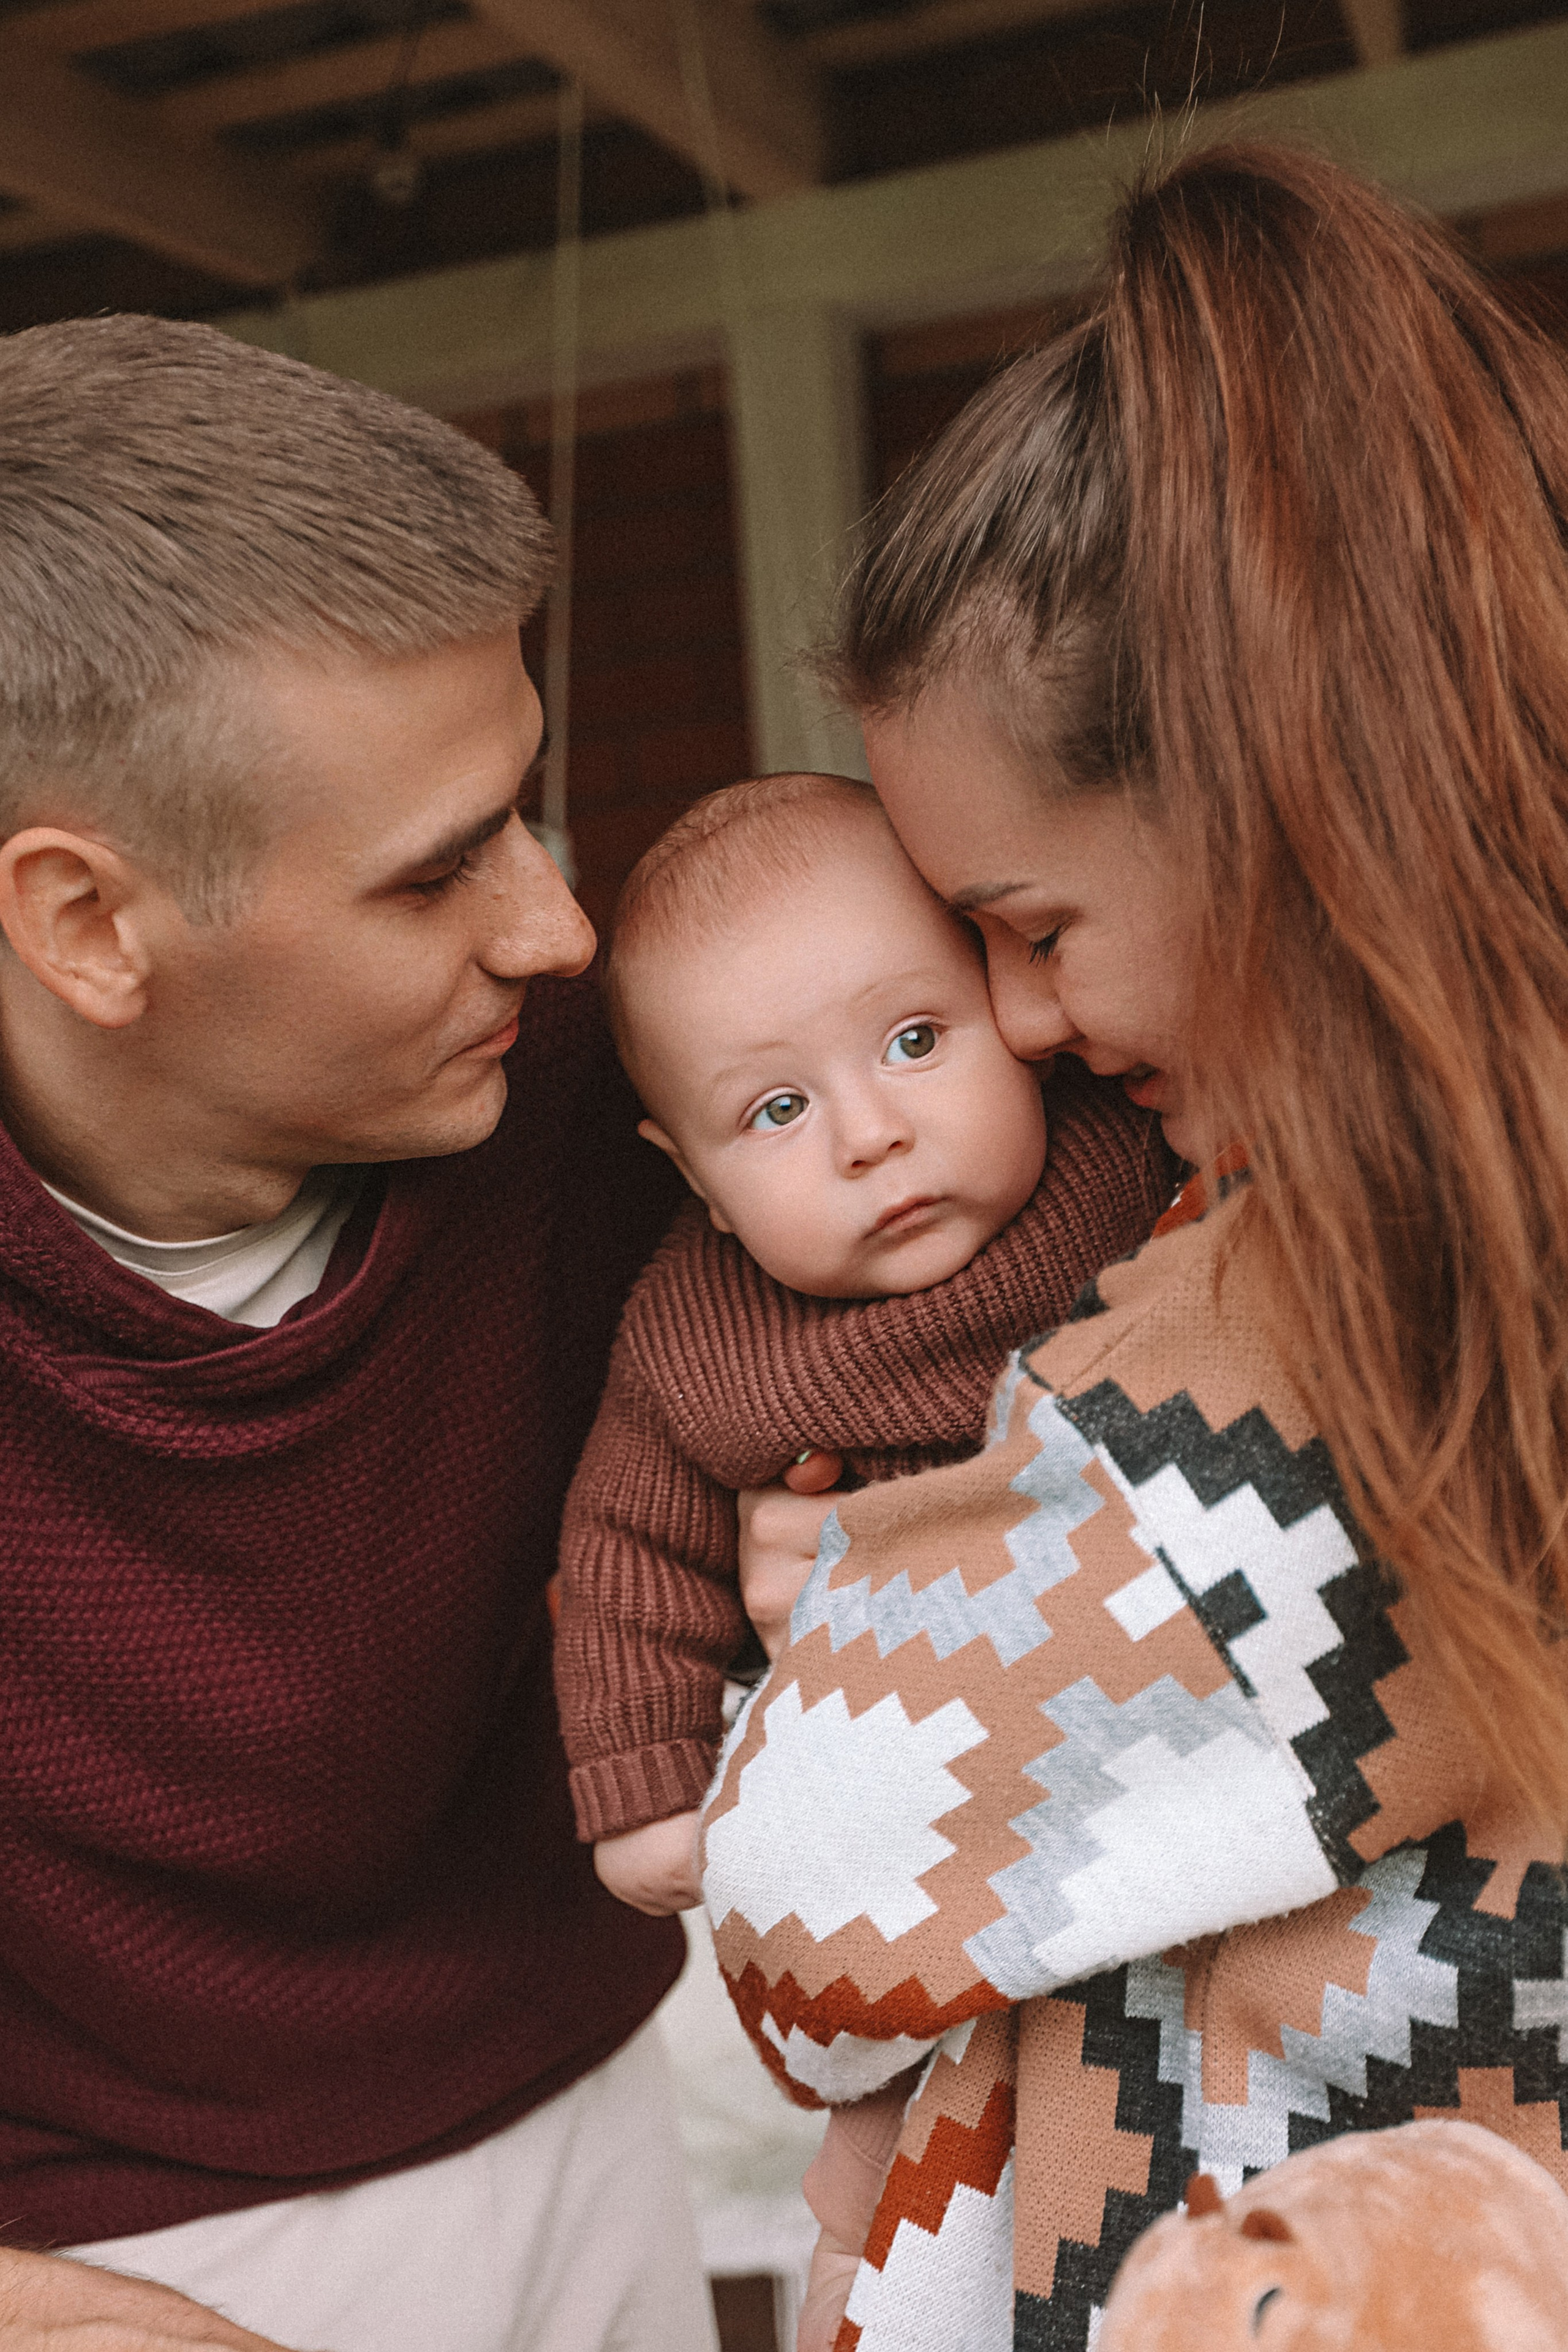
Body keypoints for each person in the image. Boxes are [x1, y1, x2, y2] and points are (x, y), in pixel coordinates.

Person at [704, 141, 1568, 2352]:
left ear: (1274, 797)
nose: (1020, 1022)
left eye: (1034, 924)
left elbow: (800, 1926)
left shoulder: (1299, 1354)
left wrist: (847, 1614)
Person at [0, 314, 715, 2352]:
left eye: (525, 810)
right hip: (95, 2261)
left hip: (596, 2123)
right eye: (434, 876)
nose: (555, 927)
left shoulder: (591, 1088)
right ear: (88, 924)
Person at [551, 773, 1174, 1916]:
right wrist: (645, 1795)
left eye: (914, 1039)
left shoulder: (1138, 1162)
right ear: (698, 1181)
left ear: (1019, 1022)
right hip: (924, 1793)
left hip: (1176, 1700)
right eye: (778, 1109)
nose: (871, 1134)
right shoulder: (700, 1342)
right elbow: (626, 1559)